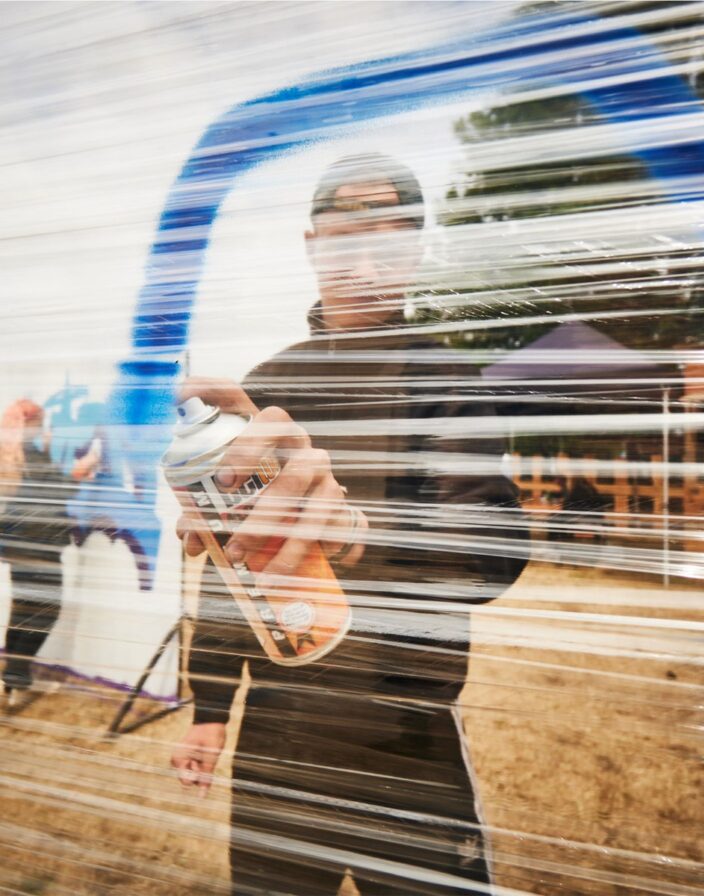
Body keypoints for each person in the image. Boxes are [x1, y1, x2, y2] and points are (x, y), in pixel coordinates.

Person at [172, 154, 529, 895]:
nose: (364, 263)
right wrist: (209, 709)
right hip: (279, 730)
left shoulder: (447, 382)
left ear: (417, 252)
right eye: (343, 239)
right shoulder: (269, 385)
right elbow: (229, 563)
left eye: (391, 241)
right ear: (311, 245)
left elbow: (492, 550)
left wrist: (355, 531)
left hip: (406, 733)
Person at [0, 399, 100, 701]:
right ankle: (16, 675)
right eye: (41, 422)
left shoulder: (14, 450)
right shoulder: (30, 452)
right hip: (37, 544)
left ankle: (11, 680)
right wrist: (83, 468)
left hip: (21, 543)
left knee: (26, 610)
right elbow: (56, 492)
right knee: (45, 613)